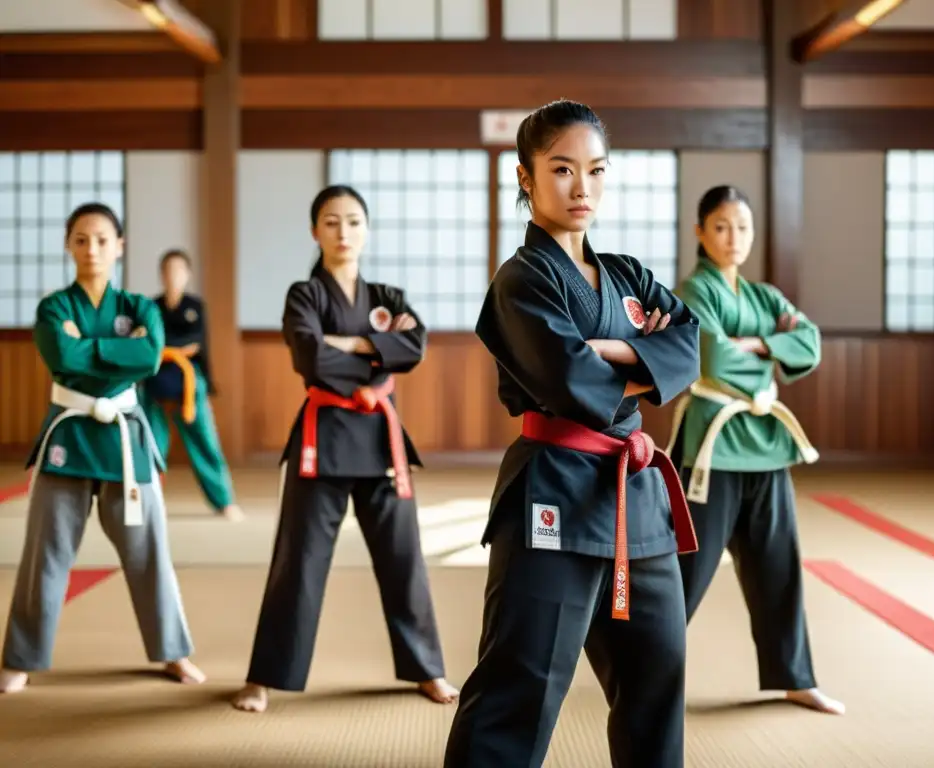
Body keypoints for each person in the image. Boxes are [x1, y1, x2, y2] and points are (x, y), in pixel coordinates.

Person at [444, 100, 702, 768]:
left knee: (657, 675)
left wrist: (611, 352)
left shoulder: (627, 275)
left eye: (595, 170)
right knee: (522, 682)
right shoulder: (522, 280)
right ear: (526, 179)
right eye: (561, 169)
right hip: (553, 490)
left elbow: (690, 344)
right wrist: (642, 361)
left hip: (635, 494)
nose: (580, 187)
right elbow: (571, 385)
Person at [231, 185, 458, 714]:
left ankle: (427, 669)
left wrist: (349, 344)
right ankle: (265, 675)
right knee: (299, 562)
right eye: (331, 223)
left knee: (404, 561)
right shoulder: (303, 296)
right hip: (323, 440)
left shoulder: (387, 297)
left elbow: (415, 348)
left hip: (382, 441)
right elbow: (311, 360)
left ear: (367, 230)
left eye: (354, 222)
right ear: (315, 232)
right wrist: (377, 352)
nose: (343, 233)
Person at [0, 203, 204, 694]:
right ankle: (22, 657)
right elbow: (60, 356)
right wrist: (117, 353)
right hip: (68, 437)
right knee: (44, 555)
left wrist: (89, 350)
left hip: (125, 442)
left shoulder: (141, 308)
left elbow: (149, 357)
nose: (92, 248)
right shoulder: (54, 308)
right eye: (82, 239)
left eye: (102, 239)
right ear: (70, 246)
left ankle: (173, 652)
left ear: (119, 246)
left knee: (150, 551)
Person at [665, 184, 845, 715]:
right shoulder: (695, 291)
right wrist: (770, 353)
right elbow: (714, 362)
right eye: (721, 226)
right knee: (683, 574)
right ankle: (644, 673)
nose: (733, 238)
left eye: (742, 227)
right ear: (700, 232)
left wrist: (759, 345)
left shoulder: (764, 296)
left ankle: (794, 677)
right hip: (713, 448)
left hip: (766, 448)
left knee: (778, 567)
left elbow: (809, 342)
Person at [139, 249, 244, 522]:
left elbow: (196, 344)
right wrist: (168, 348)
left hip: (188, 382)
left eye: (179, 270)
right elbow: (147, 342)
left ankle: (224, 501)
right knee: (147, 444)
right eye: (168, 270)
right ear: (161, 275)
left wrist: (170, 350)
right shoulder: (151, 307)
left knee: (205, 442)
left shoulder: (195, 307)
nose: (173, 275)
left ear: (187, 274)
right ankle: (142, 501)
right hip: (154, 380)